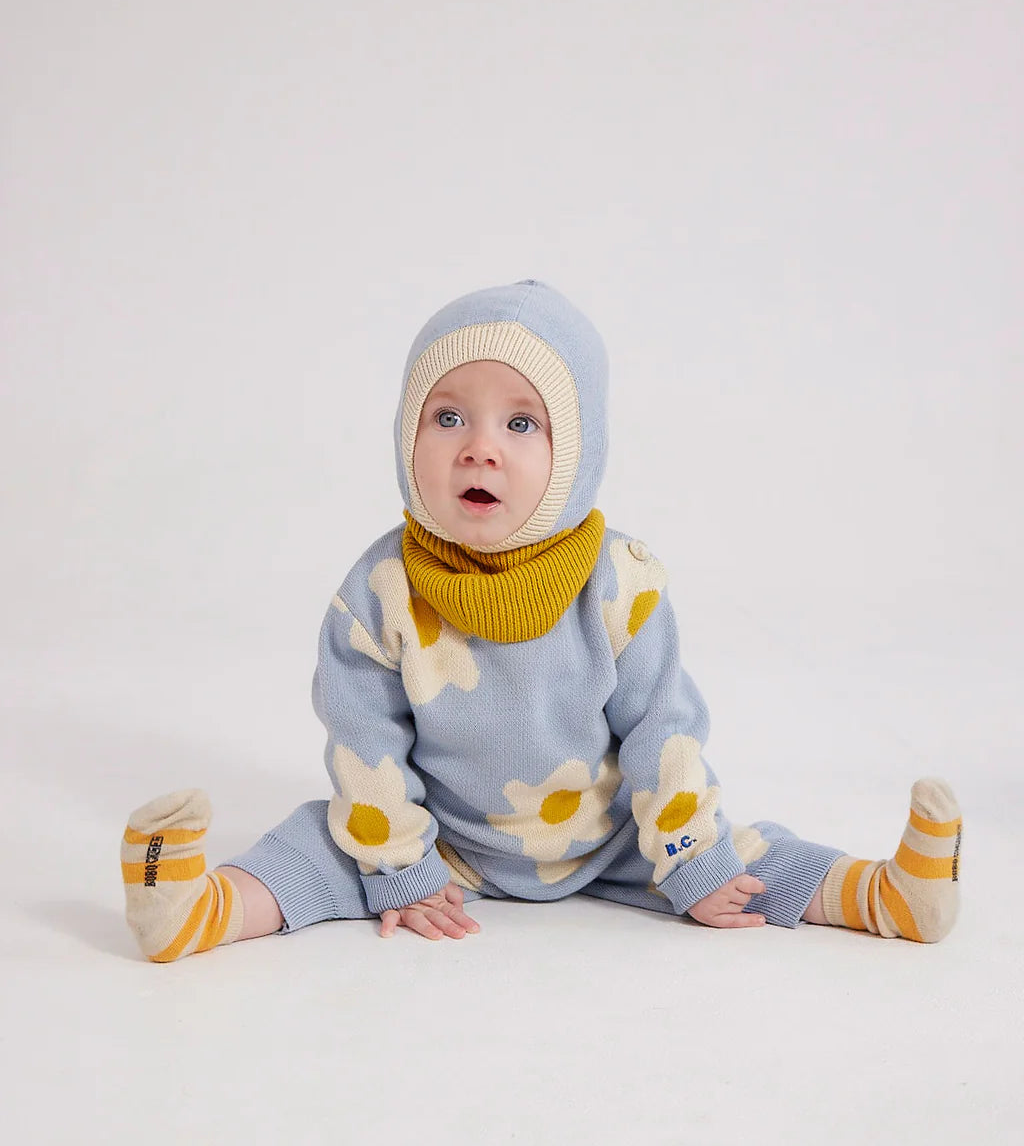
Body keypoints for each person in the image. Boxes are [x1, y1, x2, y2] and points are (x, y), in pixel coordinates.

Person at [120, 278, 962, 961]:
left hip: (606, 837)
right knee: (318, 841)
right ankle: (196, 907)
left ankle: (885, 894)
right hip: (443, 841)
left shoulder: (619, 583)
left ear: (578, 453)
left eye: (521, 422)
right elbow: (363, 742)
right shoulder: (382, 590)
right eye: (448, 416)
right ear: (405, 436)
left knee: (740, 856)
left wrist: (691, 863)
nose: (479, 446)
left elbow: (663, 732)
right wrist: (403, 868)